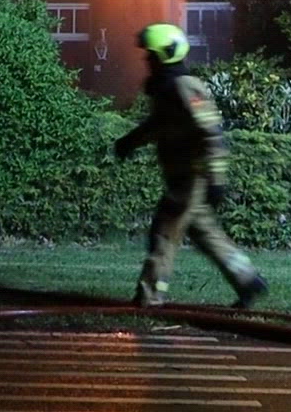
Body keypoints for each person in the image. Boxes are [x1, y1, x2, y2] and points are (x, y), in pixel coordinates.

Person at [114, 22, 268, 309]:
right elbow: (158, 125)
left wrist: (216, 178)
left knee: (164, 233)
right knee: (205, 233)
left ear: (165, 55)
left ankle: (150, 296)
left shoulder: (184, 86)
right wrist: (129, 142)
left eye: (151, 55)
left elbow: (211, 133)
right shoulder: (167, 90)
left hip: (190, 178)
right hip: (182, 177)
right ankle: (247, 279)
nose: (147, 60)